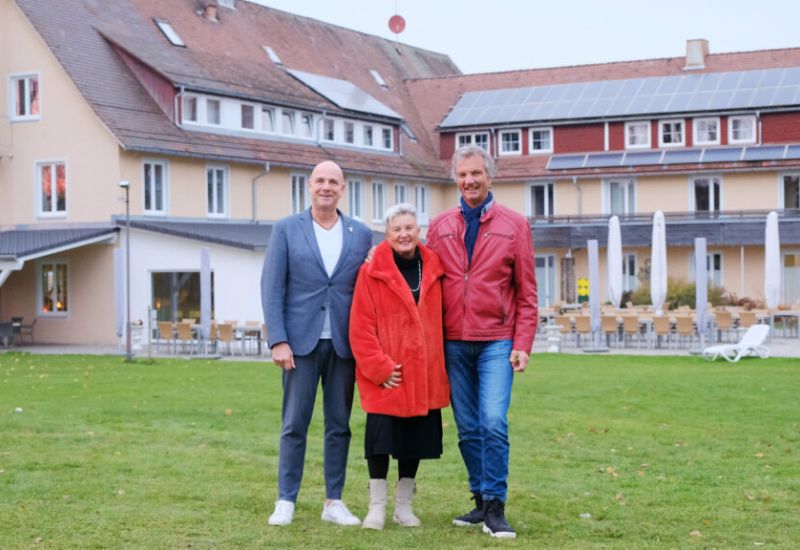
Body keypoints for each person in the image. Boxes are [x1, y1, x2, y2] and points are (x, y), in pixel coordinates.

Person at [426, 145, 538, 539]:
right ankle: (479, 499)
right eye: (462, 174)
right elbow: (423, 278)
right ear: (455, 179)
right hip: (453, 342)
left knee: (493, 421)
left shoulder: (515, 225)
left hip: (497, 341)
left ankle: (495, 506)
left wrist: (523, 342)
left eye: (476, 173)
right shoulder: (439, 226)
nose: (469, 180)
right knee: (468, 428)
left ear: (490, 176)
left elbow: (527, 293)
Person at [261, 160, 373, 527]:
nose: (326, 187)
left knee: (339, 425)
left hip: (344, 344)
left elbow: (369, 286)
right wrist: (278, 340)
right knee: (294, 423)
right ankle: (286, 499)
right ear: (310, 186)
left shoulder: (360, 234)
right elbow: (272, 287)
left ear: (342, 188)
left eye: (333, 182)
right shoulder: (286, 229)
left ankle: (333, 501)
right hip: (299, 345)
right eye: (320, 180)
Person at [349, 203, 450, 531]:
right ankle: (376, 507)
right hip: (388, 374)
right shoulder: (371, 271)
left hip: (424, 372)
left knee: (414, 441)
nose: (404, 234)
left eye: (409, 228)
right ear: (387, 234)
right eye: (397, 229)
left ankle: (404, 507)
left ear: (419, 231)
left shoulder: (435, 267)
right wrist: (379, 367)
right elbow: (360, 326)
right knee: (380, 441)